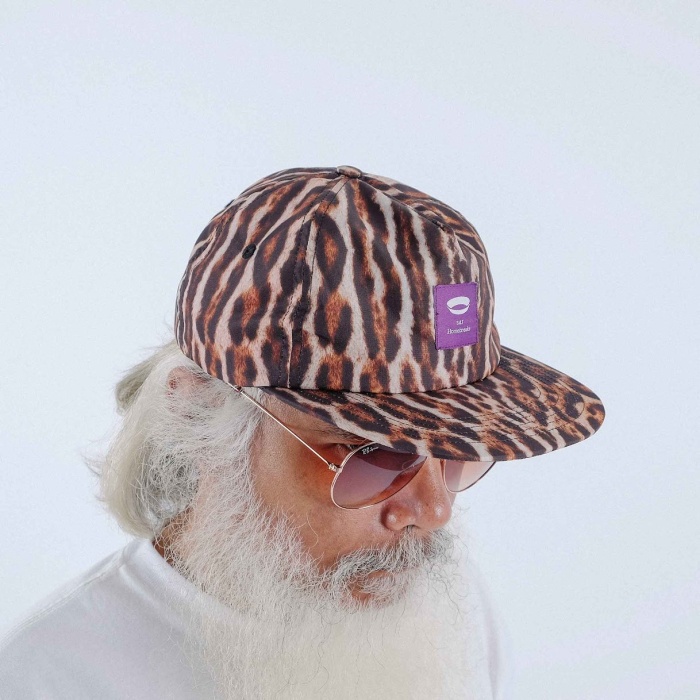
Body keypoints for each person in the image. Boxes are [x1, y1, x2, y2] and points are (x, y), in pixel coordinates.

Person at [0, 165, 605, 699]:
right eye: (374, 455)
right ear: (197, 414)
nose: (434, 510)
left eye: (458, 454)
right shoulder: (54, 679)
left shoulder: (450, 613)